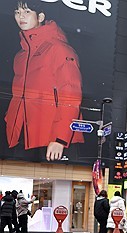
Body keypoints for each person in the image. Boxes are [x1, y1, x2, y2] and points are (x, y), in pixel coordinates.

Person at [6, 1, 84, 161]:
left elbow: (71, 96)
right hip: (22, 139)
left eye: (27, 11)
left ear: (40, 16)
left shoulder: (59, 49)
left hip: (51, 140)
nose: (21, 16)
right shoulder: (21, 56)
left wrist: (60, 139)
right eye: (17, 12)